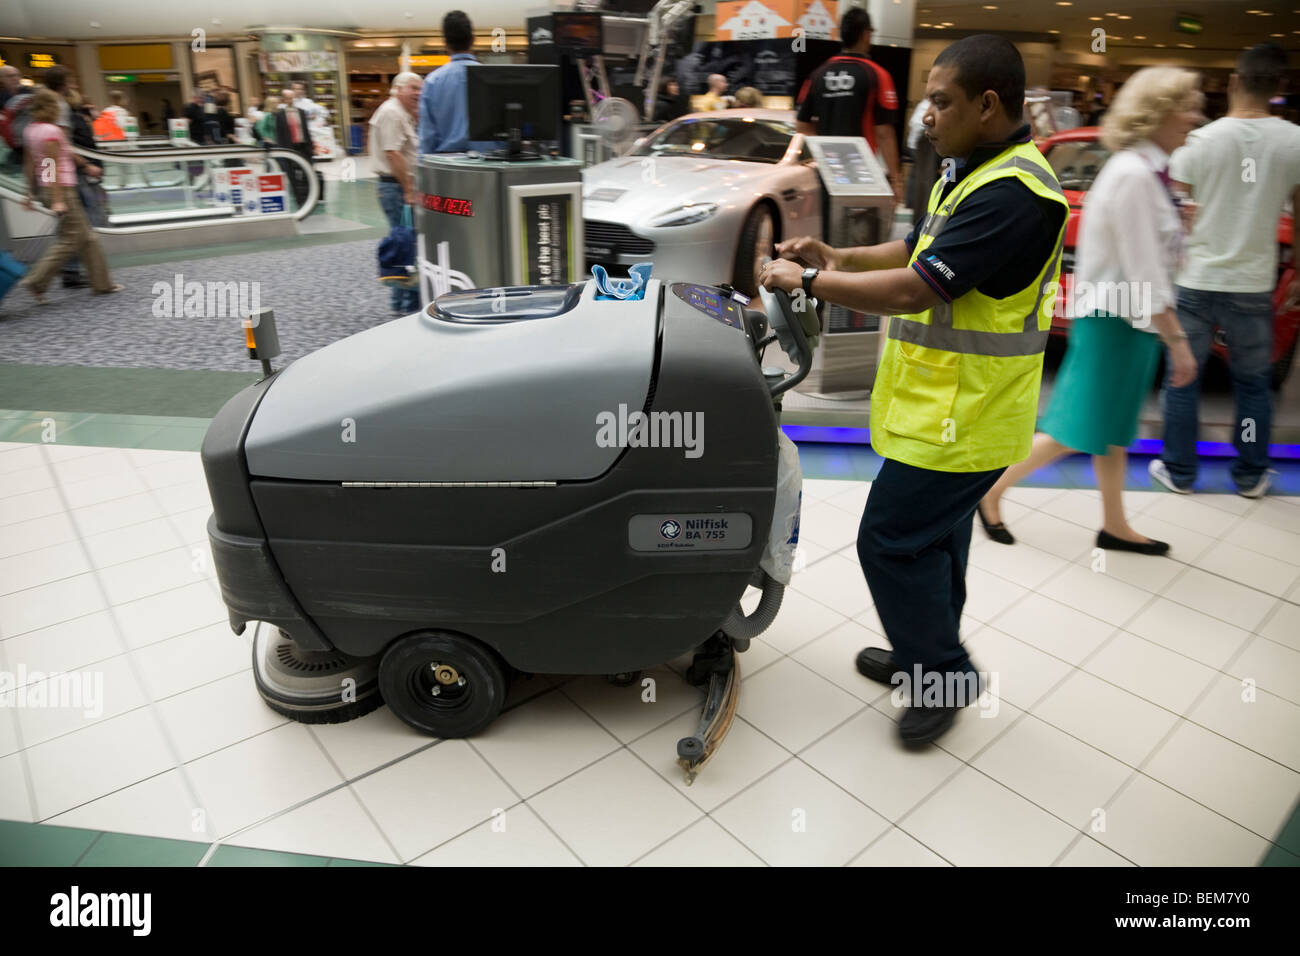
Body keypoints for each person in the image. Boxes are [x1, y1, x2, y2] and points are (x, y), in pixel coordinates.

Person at [760, 35, 1069, 745]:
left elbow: (912, 288)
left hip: (972, 414)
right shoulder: (969, 171)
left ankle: (944, 672)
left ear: (988, 105)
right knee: (936, 543)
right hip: (944, 409)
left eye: (942, 101)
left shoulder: (1017, 196)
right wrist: (837, 255)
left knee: (891, 543)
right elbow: (913, 249)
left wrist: (807, 281)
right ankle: (920, 652)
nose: (927, 115)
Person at [978, 68, 1204, 555]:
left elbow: (1155, 260)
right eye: (1187, 105)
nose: (1195, 116)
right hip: (1115, 320)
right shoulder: (1136, 176)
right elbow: (1145, 275)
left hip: (1125, 320)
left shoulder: (1148, 173)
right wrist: (1180, 345)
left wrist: (1182, 226)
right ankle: (990, 490)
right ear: (1158, 112)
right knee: (1076, 428)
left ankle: (1115, 524)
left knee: (1112, 428)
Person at [1152, 43, 1300, 499]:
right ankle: (1251, 475)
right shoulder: (1294, 141)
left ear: (1234, 82)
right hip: (1253, 283)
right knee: (1253, 384)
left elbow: (1175, 214)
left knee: (1183, 376)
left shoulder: (1199, 141)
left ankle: (1179, 472)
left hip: (1195, 278)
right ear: (1280, 88)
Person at [17, 90, 121, 303]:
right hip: (61, 188)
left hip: (48, 185)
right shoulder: (50, 131)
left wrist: (30, 191)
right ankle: (36, 280)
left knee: (88, 238)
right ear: (51, 107)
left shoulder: (31, 130)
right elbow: (52, 165)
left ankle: (102, 284)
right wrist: (57, 198)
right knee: (70, 239)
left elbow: (31, 163)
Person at [796, 7, 903, 204]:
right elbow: (884, 133)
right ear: (866, 34)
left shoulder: (818, 74)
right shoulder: (878, 75)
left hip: (826, 170)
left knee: (825, 230)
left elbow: (802, 126)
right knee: (861, 231)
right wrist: (896, 181)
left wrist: (824, 151)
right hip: (863, 172)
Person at [371, 72, 422, 314]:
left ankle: (403, 305)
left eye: (420, 88)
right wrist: (409, 190)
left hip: (397, 187)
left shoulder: (401, 113)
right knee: (405, 244)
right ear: (398, 88)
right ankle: (405, 306)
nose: (418, 93)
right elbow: (393, 154)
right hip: (396, 188)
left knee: (406, 244)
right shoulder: (391, 113)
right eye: (413, 88)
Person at [419, 11, 487, 154]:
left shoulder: (432, 82)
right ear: (473, 40)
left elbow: (427, 138)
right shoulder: (492, 77)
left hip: (447, 169)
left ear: (445, 44)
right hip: (489, 167)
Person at [273, 91, 316, 207]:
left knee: (306, 172)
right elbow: (279, 134)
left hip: (302, 146)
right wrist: (281, 150)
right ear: (283, 99)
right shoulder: (280, 115)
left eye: (291, 97)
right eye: (287, 98)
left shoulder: (301, 112)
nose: (290, 100)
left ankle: (308, 198)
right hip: (289, 148)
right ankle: (299, 200)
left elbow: (306, 130)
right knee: (292, 176)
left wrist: (311, 147)